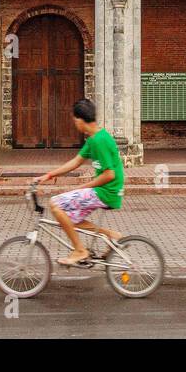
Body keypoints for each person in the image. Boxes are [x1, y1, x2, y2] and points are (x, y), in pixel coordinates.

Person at [34, 98, 125, 267]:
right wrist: (49, 175)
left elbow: (109, 175)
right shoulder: (93, 139)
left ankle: (80, 251)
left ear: (80, 120)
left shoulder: (100, 141)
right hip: (105, 190)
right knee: (68, 218)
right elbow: (76, 162)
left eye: (74, 120)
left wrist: (83, 186)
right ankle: (111, 235)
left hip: (107, 191)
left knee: (56, 204)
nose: (74, 123)